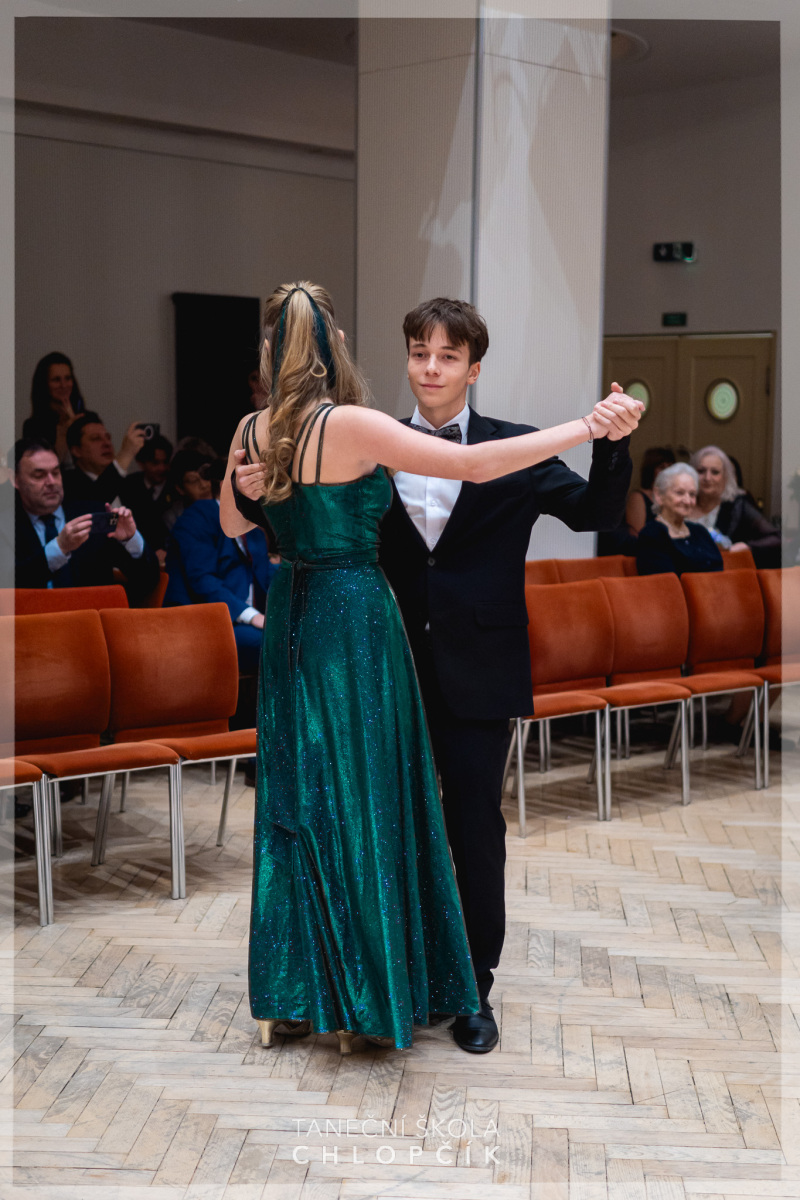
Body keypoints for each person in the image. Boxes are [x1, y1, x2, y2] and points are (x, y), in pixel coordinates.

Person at [224, 280, 642, 1054]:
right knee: (385, 825)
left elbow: (595, 513)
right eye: (420, 353)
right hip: (378, 669)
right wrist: (254, 499)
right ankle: (407, 974)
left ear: (473, 368)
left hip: (476, 667)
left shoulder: (511, 447)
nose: (430, 367)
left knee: (473, 826)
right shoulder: (369, 436)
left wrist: (608, 442)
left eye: (448, 357)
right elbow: (305, 522)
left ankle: (473, 988)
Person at [7, 437, 160, 600]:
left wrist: (131, 539)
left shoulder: (93, 515)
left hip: (92, 614)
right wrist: (59, 548)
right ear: (15, 479)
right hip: (32, 615)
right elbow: (8, 585)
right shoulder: (6, 526)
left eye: (56, 473)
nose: (51, 482)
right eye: (39, 475)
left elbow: (147, 581)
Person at [165, 460, 278, 675]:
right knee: (276, 642)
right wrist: (253, 616)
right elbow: (203, 580)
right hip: (205, 622)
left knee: (302, 635)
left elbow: (266, 576)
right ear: (225, 484)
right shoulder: (199, 515)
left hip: (247, 621)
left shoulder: (253, 529)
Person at [690, 445, 780, 567]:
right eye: (701, 471)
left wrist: (747, 547)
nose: (707, 477)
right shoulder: (681, 503)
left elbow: (776, 539)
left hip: (724, 573)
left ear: (725, 477)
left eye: (715, 472)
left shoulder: (737, 506)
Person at [636, 463, 723, 576]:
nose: (687, 501)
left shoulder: (700, 531)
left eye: (692, 494)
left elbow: (719, 571)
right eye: (680, 493)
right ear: (659, 495)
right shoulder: (651, 535)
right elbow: (664, 582)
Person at [63, 413, 148, 506]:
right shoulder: (67, 483)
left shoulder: (129, 484)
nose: (107, 443)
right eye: (96, 439)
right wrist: (125, 454)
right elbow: (95, 501)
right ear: (77, 451)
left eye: (108, 438)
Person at [22, 352, 86, 463]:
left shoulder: (87, 418)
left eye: (67, 378)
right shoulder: (33, 427)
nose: (63, 385)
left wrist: (77, 426)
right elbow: (43, 466)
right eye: (56, 380)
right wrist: (63, 432)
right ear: (44, 384)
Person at [120, 434, 173, 562]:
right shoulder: (129, 486)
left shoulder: (176, 486)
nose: (162, 468)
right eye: (155, 463)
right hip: (139, 555)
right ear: (141, 463)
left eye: (165, 462)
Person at [625, 446, 676, 537]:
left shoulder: (676, 498)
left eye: (670, 467)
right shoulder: (638, 497)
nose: (667, 472)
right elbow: (638, 535)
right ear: (651, 470)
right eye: (662, 467)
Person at [162, 448, 215, 533]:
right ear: (180, 489)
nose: (204, 485)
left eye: (206, 476)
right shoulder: (174, 517)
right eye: (193, 481)